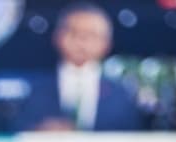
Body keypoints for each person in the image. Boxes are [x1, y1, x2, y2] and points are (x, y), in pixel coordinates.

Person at [14, 2, 143, 132]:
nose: (81, 41)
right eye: (73, 32)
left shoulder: (121, 95)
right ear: (57, 37)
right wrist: (37, 132)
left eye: (91, 34)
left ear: (107, 44)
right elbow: (16, 133)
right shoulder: (33, 91)